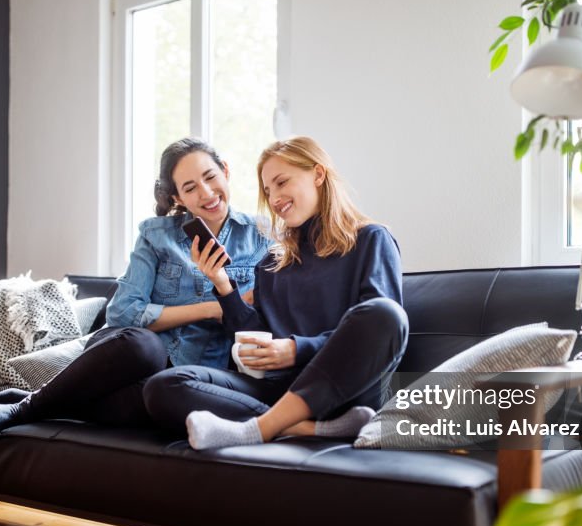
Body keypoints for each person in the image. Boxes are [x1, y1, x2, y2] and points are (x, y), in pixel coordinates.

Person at [0, 138, 271, 439]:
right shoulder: (155, 235)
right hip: (127, 357)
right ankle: (26, 409)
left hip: (188, 374)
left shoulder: (262, 238)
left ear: (225, 171)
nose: (207, 193)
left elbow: (251, 325)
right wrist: (215, 308)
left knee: (159, 400)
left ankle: (51, 399)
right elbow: (123, 312)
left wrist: (225, 298)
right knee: (146, 346)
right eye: (190, 188)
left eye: (210, 177)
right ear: (178, 198)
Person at [143, 136, 409, 449]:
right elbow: (257, 334)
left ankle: (260, 427)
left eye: (282, 182)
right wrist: (221, 283)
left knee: (386, 314)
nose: (275, 198)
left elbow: (378, 332)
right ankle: (304, 428)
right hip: (279, 387)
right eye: (268, 191)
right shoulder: (273, 260)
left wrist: (296, 350)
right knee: (164, 385)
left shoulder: (371, 240)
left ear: (318, 175)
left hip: (343, 390)